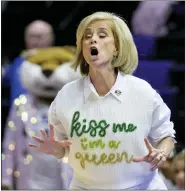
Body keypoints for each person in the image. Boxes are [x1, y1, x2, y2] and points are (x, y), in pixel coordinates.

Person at [29, 11, 176, 189]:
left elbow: (166, 135)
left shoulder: (142, 91)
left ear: (117, 47)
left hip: (142, 186)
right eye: (87, 36)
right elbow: (65, 149)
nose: (92, 40)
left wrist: (161, 152)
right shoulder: (66, 95)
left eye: (102, 35)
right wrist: (56, 150)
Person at [3, 20, 55, 105]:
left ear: (50, 38)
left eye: (39, 37)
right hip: (18, 114)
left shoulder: (61, 62)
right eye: (31, 36)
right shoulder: (18, 61)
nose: (35, 42)